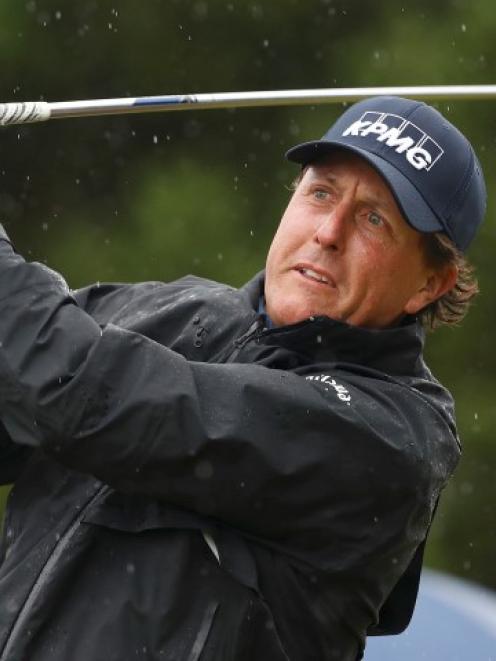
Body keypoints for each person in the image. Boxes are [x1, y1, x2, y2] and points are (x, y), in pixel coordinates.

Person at [0, 96, 486, 661]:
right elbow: (32, 382)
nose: (329, 232)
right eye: (321, 192)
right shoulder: (169, 309)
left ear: (431, 282)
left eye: (374, 218)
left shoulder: (392, 436)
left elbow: (93, 397)